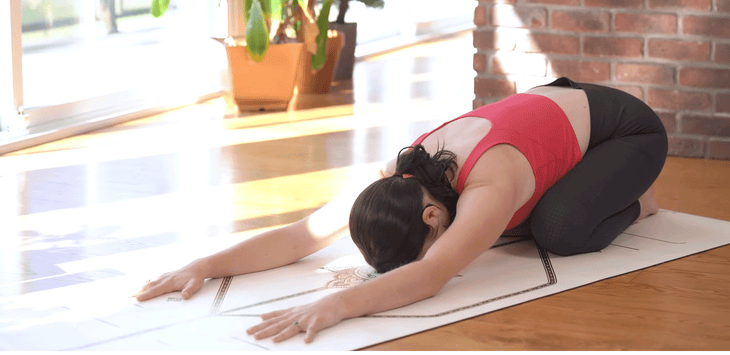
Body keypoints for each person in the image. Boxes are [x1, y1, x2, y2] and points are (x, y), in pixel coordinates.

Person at [135, 77, 668, 343]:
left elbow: (433, 274)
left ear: (433, 218)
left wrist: (341, 307)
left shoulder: (490, 180)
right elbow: (301, 235)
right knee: (510, 225)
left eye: (427, 239)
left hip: (627, 132)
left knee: (557, 231)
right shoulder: (395, 174)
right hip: (557, 114)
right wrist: (203, 265)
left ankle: (636, 201)